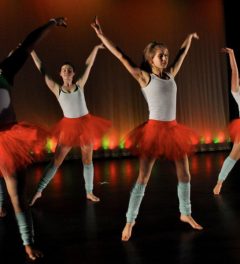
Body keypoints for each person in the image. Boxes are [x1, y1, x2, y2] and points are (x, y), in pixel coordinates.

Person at [91, 17, 203, 241]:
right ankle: (129, 221)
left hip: (173, 130)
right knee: (143, 177)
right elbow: (121, 56)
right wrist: (102, 36)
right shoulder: (145, 77)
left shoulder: (170, 74)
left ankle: (186, 213)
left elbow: (181, 55)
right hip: (153, 131)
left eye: (166, 54)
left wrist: (188, 39)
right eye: (160, 55)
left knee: (185, 174)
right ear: (150, 58)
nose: (165, 58)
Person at [0, 17, 67, 260]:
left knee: (18, 196)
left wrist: (50, 23)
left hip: (8, 140)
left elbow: (27, 45)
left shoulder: (4, 70)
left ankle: (27, 243)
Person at [29, 43, 111, 206]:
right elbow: (42, 68)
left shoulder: (79, 85)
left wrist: (94, 48)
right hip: (69, 126)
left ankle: (89, 191)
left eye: (69, 69)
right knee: (57, 160)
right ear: (60, 73)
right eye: (64, 69)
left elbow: (88, 64)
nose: (66, 71)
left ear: (73, 73)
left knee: (87, 160)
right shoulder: (56, 88)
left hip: (86, 124)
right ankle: (39, 190)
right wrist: (31, 51)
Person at [213, 48, 240, 195]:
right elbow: (234, 71)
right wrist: (232, 54)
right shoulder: (237, 92)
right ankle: (219, 182)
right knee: (233, 156)